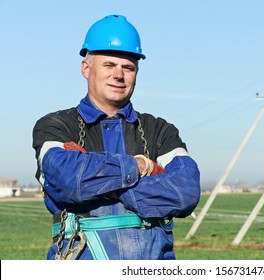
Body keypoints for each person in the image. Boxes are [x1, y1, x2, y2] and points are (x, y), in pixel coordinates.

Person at [32, 14, 201, 260]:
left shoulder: (160, 130)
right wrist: (141, 166)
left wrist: (99, 181)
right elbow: (69, 180)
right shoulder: (55, 126)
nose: (119, 75)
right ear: (86, 69)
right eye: (109, 65)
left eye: (128, 67)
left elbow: (185, 193)